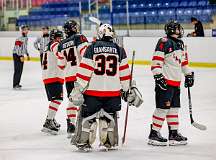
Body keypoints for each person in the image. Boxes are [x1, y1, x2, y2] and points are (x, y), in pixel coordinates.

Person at [69, 23, 143, 151]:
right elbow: (125, 75)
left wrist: (78, 89)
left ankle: (83, 141)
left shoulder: (92, 48)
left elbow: (85, 71)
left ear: (100, 33)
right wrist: (127, 91)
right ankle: (109, 142)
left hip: (92, 93)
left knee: (87, 117)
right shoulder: (120, 50)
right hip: (113, 94)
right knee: (109, 117)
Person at [148, 21, 195, 146]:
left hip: (176, 83)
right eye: (179, 28)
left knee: (174, 109)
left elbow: (183, 62)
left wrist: (188, 74)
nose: (181, 30)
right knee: (162, 109)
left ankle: (173, 134)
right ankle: (154, 133)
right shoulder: (163, 42)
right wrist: (158, 76)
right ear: (174, 30)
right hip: (165, 83)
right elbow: (156, 62)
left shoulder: (180, 43)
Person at [57, 19, 89, 138]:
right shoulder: (79, 38)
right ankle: (83, 126)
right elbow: (86, 54)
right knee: (85, 102)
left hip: (68, 77)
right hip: (81, 76)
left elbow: (61, 65)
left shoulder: (61, 44)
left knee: (72, 101)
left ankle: (71, 126)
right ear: (73, 28)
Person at [41, 29, 64, 135]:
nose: (60, 40)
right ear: (53, 38)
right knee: (57, 100)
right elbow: (59, 53)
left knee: (55, 100)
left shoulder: (48, 45)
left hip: (48, 76)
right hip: (53, 76)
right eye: (58, 37)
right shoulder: (54, 44)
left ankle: (51, 118)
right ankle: (49, 121)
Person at [12, 25, 30, 89]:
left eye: (27, 29)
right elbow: (17, 48)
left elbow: (24, 47)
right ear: (22, 30)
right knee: (17, 70)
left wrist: (27, 54)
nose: (26, 31)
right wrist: (20, 56)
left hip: (20, 55)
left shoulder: (26, 38)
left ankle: (17, 83)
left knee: (20, 70)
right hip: (17, 55)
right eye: (25, 30)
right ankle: (15, 84)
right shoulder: (19, 38)